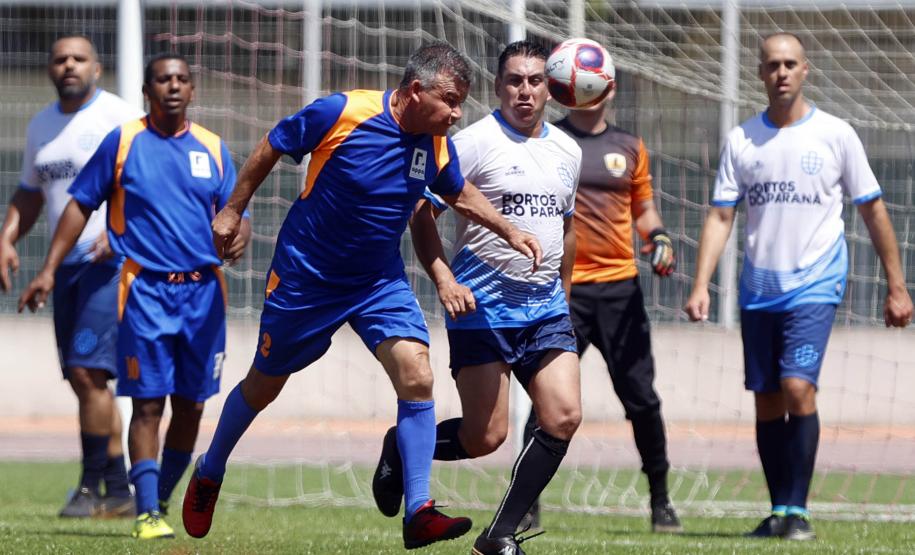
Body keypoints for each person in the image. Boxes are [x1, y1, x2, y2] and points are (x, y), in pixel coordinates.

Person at [180, 42, 541, 551]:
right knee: (263, 386)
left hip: (377, 281)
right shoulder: (343, 112)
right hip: (306, 279)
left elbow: (458, 192)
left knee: (417, 373)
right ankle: (210, 469)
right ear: (416, 91)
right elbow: (274, 144)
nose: (457, 112)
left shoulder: (436, 143)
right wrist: (232, 210)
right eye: (451, 100)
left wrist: (509, 230)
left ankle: (418, 509)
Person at [684, 33, 913, 541]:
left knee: (796, 387)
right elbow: (722, 215)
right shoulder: (742, 139)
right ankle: (779, 510)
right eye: (772, 65)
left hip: (815, 284)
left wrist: (897, 285)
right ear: (760, 73)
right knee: (767, 398)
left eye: (790, 64)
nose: (781, 72)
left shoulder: (835, 135)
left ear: (805, 70)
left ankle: (799, 510)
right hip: (758, 289)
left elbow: (872, 209)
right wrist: (701, 284)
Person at [19, 53, 251, 540]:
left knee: (190, 406)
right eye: (163, 79)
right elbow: (80, 205)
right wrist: (48, 270)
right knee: (147, 405)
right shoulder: (123, 142)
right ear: (147, 91)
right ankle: (146, 511)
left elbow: (236, 210)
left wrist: (242, 232)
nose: (173, 86)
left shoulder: (211, 147)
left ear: (192, 90)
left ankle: (160, 499)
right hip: (143, 292)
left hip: (204, 294)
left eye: (181, 79)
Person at [371, 41, 583, 555]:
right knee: (485, 438)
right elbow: (422, 214)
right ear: (498, 86)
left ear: (550, 88)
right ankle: (400, 449)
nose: (525, 91)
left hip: (546, 308)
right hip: (482, 308)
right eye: (514, 80)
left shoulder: (568, 152)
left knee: (564, 416)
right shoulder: (471, 142)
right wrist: (443, 277)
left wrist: (566, 295)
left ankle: (499, 535)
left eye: (535, 80)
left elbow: (567, 228)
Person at [522, 85, 682, 534]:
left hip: (619, 292)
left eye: (596, 82)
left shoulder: (630, 146)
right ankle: (526, 503)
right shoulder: (548, 142)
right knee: (547, 400)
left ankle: (660, 501)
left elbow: (644, 212)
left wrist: (660, 239)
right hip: (563, 290)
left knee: (642, 399)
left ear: (609, 88)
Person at [0, 34, 142, 519]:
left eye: (78, 58)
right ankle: (119, 488)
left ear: (97, 69)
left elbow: (145, 181)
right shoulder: (42, 125)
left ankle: (89, 487)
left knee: (89, 371)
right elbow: (30, 192)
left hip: (110, 263)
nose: (68, 66)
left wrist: (124, 233)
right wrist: (7, 238)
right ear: (49, 69)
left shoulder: (118, 117)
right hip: (65, 268)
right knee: (84, 379)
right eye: (59, 59)